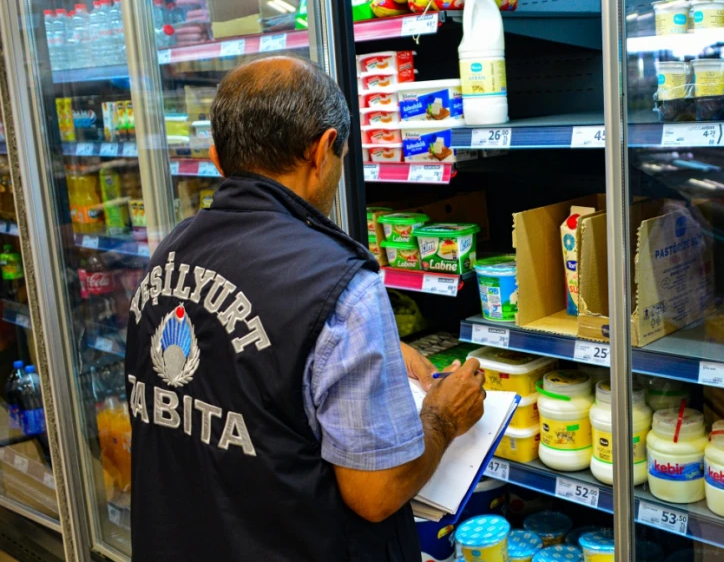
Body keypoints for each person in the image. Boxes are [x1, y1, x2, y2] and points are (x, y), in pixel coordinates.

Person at [124, 56, 485, 562]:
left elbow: (231, 374)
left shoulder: (172, 252)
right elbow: (375, 494)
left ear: (217, 158)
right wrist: (443, 417)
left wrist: (359, 351)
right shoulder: (339, 285)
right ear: (322, 150)